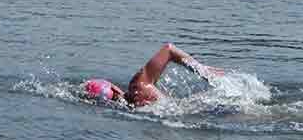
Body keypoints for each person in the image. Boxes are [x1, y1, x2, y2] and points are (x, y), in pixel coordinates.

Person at [84, 43, 224, 107]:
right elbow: (169, 49)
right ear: (114, 88)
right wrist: (202, 70)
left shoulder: (132, 109)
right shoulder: (138, 85)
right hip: (209, 105)